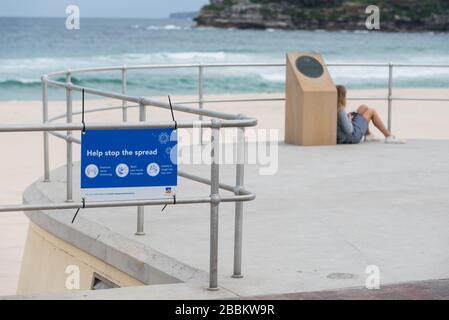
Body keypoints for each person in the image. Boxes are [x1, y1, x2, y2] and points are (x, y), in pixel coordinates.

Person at [336, 85, 404, 144]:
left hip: (345, 135)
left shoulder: (334, 107)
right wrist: (349, 119)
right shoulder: (340, 110)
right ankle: (389, 136)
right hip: (352, 136)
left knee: (363, 107)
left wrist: (347, 117)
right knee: (371, 111)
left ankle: (368, 135)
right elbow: (349, 130)